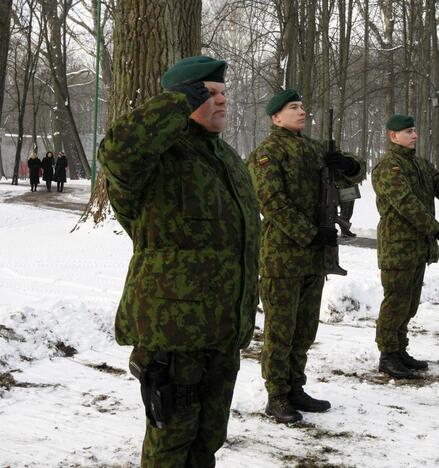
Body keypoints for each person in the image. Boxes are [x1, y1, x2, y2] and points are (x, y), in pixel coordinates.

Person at [97, 55, 260, 466]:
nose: (222, 101)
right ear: (183, 98)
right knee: (171, 444)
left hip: (221, 330)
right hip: (174, 334)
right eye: (210, 94)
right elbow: (117, 150)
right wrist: (175, 103)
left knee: (207, 441)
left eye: (224, 93)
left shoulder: (228, 162)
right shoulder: (156, 160)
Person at [247, 88, 365, 424]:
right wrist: (312, 234)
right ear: (275, 117)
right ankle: (277, 394)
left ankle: (296, 387)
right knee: (280, 330)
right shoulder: (266, 154)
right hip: (282, 257)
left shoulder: (316, 150)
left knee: (305, 329)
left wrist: (346, 164)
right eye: (293, 107)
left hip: (314, 258)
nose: (301, 111)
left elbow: (355, 174)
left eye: (302, 106)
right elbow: (272, 204)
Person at [372, 114, 439, 378]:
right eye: (408, 131)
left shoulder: (419, 163)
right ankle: (387, 354)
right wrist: (438, 229)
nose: (414, 135)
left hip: (417, 246)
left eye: (414, 130)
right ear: (393, 136)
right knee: (396, 301)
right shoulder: (389, 166)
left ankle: (400, 350)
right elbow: (407, 204)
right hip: (398, 245)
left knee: (409, 303)